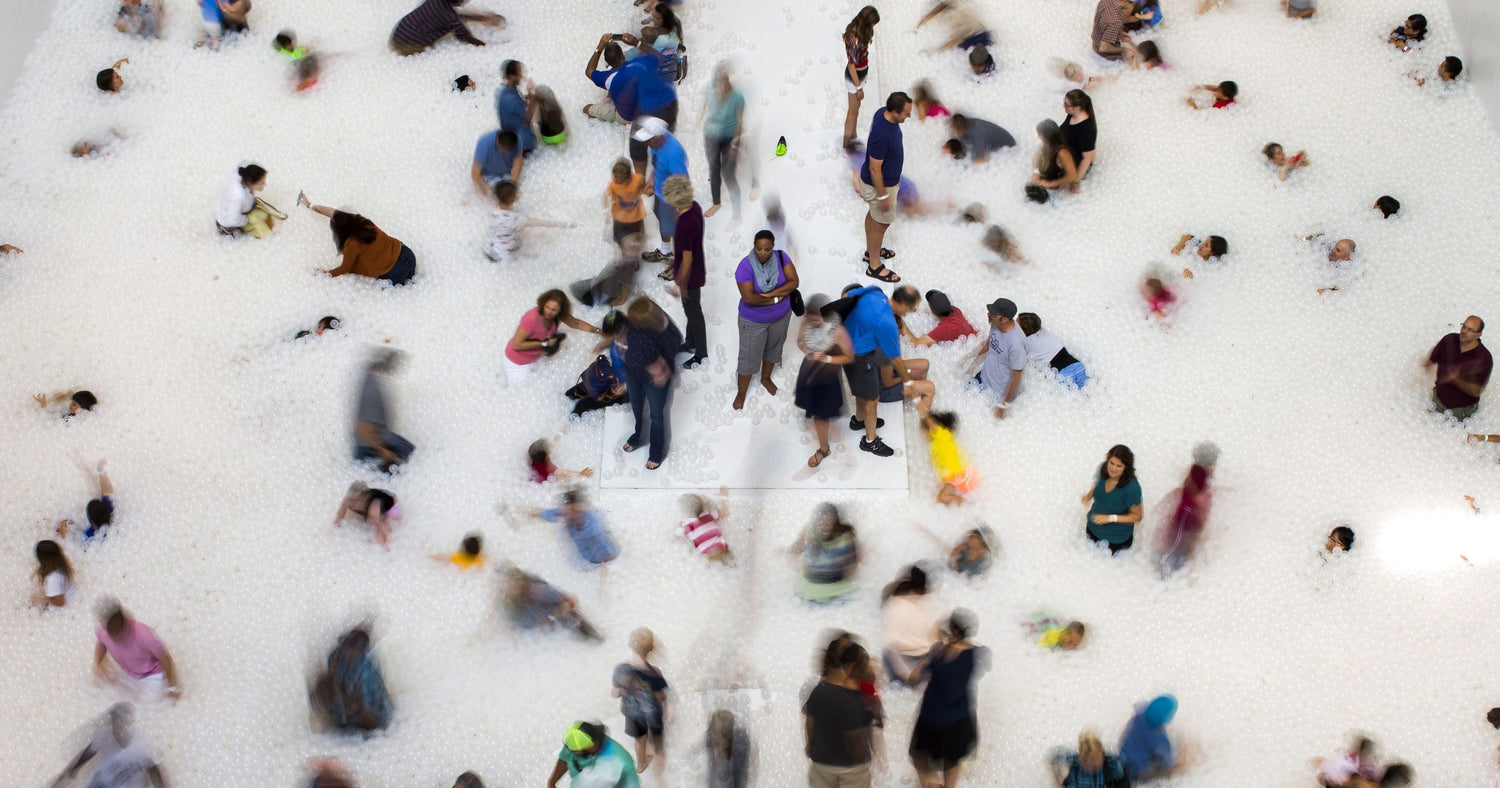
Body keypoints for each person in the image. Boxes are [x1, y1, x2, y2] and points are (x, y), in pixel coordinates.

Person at [909, 609, 988, 788]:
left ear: (953, 630)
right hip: (960, 720)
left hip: (932, 718)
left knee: (920, 757)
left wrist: (926, 660)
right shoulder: (979, 653)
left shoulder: (938, 652)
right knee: (951, 761)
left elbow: (914, 680)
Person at [732, 230, 800, 409]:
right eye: (759, 249)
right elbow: (750, 298)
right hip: (753, 321)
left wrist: (772, 296)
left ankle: (766, 378)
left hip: (781, 316)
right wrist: (779, 296)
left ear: (773, 248)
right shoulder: (745, 267)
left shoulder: (781, 257)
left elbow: (794, 282)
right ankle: (741, 392)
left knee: (773, 349)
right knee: (748, 358)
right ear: (754, 246)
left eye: (767, 249)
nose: (762, 253)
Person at [840, 285, 908, 454]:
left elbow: (847, 296)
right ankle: (870, 441)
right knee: (872, 400)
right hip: (860, 358)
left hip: (850, 353)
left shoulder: (855, 311)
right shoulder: (880, 322)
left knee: (861, 392)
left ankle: (859, 420)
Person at [803, 636, 875, 787]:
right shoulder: (852, 699)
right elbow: (854, 736)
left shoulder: (818, 691)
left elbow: (810, 722)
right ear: (851, 666)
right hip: (851, 768)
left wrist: (810, 744)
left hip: (821, 762)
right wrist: (862, 758)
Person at [297, 196, 418, 285]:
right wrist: (310, 205)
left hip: (396, 273)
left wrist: (324, 274)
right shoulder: (363, 222)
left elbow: (345, 269)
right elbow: (333, 212)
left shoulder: (351, 244)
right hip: (407, 254)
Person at [622, 297, 682, 469]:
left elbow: (674, 346)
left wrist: (661, 365)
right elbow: (624, 332)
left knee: (657, 415)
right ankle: (638, 436)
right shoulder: (633, 321)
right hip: (633, 371)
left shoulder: (666, 331)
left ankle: (657, 451)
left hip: (654, 378)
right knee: (637, 405)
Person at [795, 294, 855, 468]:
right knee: (813, 410)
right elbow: (800, 341)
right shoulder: (806, 321)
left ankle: (824, 449)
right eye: (810, 319)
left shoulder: (837, 330)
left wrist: (826, 358)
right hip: (809, 371)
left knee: (820, 416)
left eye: (816, 320)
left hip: (827, 375)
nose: (812, 322)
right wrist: (807, 351)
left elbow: (848, 357)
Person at [859, 93, 913, 283]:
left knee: (874, 218)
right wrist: (882, 196)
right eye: (906, 113)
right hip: (880, 187)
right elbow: (875, 167)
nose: (909, 116)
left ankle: (870, 252)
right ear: (894, 111)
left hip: (883, 183)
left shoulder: (882, 113)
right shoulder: (882, 135)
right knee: (881, 224)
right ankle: (874, 265)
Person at [51, 704, 167, 788]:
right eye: (113, 722)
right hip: (102, 781)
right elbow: (88, 752)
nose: (115, 726)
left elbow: (153, 769)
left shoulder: (138, 746)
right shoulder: (105, 736)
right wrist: (70, 771)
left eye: (119, 722)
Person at [583, 35, 678, 132]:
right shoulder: (640, 64)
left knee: (586, 109)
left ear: (608, 63)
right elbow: (657, 55)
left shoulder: (607, 79)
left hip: (628, 117)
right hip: (650, 109)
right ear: (623, 56)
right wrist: (637, 43)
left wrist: (600, 46)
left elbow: (589, 71)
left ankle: (609, 108)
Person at [504, 290, 600, 381]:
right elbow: (517, 345)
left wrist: (598, 331)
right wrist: (543, 344)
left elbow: (576, 323)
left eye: (554, 309)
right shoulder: (531, 319)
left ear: (560, 310)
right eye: (547, 307)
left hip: (535, 359)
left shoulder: (558, 316)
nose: (549, 312)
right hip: (516, 362)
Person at [94, 602, 182, 701]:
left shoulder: (144, 635)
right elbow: (101, 643)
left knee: (147, 706)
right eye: (111, 628)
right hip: (128, 673)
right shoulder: (103, 630)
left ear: (123, 620)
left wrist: (173, 687)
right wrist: (98, 663)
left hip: (151, 675)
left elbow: (166, 659)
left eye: (117, 625)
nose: (115, 633)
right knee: (110, 694)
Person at [311, 627, 392, 732]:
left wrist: (353, 708)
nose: (348, 652)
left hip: (370, 718)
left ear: (361, 652)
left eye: (354, 650)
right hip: (346, 707)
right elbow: (331, 673)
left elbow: (372, 716)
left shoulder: (367, 674)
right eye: (346, 646)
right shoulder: (336, 657)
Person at [664, 176, 707, 368]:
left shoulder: (684, 226)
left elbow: (687, 259)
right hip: (697, 267)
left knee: (694, 313)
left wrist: (681, 283)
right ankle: (690, 342)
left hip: (690, 275)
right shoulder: (695, 207)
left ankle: (700, 352)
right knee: (691, 310)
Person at [613, 628, 670, 775]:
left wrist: (623, 691)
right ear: (652, 649)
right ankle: (660, 763)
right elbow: (660, 697)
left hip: (632, 712)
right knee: (657, 738)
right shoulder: (654, 674)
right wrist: (667, 710)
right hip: (652, 714)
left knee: (639, 738)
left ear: (631, 645)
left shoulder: (621, 669)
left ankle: (641, 763)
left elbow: (615, 692)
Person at [1158, 442, 1218, 577]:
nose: (1217, 464)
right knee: (1176, 550)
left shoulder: (1198, 475)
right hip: (1183, 526)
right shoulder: (1190, 506)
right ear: (1211, 462)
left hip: (1187, 522)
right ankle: (1167, 571)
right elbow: (1195, 494)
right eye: (1215, 461)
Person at [634, 118, 689, 265]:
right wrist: (652, 180)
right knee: (664, 223)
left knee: (675, 229)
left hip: (671, 198)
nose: (645, 142)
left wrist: (681, 208)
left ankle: (677, 261)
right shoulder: (657, 144)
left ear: (657, 136)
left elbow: (683, 181)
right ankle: (666, 252)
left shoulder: (673, 154)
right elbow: (657, 163)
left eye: (648, 139)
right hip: (660, 192)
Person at [500, 563, 602, 640]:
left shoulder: (538, 590)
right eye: (504, 584)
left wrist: (557, 614)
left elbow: (570, 600)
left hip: (559, 625)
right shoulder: (509, 601)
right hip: (535, 628)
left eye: (510, 584)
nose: (505, 587)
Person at [353, 350, 415, 472]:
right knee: (410, 453)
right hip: (369, 448)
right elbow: (361, 428)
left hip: (376, 441)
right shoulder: (371, 390)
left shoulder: (370, 382)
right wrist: (383, 450)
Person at [483, 181, 575, 261]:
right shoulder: (514, 219)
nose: (519, 195)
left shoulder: (494, 206)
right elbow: (539, 223)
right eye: (517, 194)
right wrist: (566, 224)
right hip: (508, 252)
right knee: (538, 246)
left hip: (493, 247)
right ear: (512, 199)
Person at [881, 566, 941, 684]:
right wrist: (907, 674)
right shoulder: (898, 607)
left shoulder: (923, 603)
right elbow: (890, 646)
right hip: (906, 660)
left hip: (925, 657)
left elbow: (933, 630)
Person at [1426, 315, 1492, 421]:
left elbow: (1476, 391)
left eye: (1470, 329)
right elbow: (1431, 360)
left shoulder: (1484, 358)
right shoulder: (1449, 340)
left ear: (1478, 335)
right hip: (1438, 399)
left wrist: (1457, 379)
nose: (1464, 331)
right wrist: (1424, 365)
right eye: (1463, 326)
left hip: (1460, 411)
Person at [531, 489, 621, 566]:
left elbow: (608, 553)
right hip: (584, 558)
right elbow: (547, 513)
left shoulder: (594, 527)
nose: (570, 515)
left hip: (600, 560)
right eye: (567, 512)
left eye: (575, 511)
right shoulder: (566, 513)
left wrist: (605, 565)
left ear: (583, 509)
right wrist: (530, 512)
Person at [704, 66, 748, 219]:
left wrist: (735, 144)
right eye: (719, 84)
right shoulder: (709, 92)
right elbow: (704, 107)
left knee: (729, 174)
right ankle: (716, 202)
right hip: (711, 136)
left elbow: (741, 121)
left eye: (725, 83)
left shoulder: (737, 97)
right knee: (714, 168)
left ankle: (737, 213)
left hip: (729, 137)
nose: (722, 88)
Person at [970, 298, 1026, 419]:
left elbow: (1017, 375)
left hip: (997, 393)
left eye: (992, 313)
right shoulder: (996, 325)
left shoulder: (1016, 343)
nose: (988, 314)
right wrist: (971, 363)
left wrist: (1004, 405)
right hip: (983, 377)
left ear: (1004, 319)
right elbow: (989, 343)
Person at [793, 504, 860, 603]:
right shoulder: (809, 531)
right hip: (809, 587)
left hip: (837, 588)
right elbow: (795, 549)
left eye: (829, 523)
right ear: (816, 522)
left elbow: (852, 567)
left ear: (836, 524)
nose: (825, 526)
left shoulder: (845, 536)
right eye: (821, 523)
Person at [566, 313, 630, 416]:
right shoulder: (620, 337)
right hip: (610, 377)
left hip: (624, 388)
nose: (614, 338)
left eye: (614, 335)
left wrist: (626, 386)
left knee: (581, 406)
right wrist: (605, 344)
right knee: (570, 394)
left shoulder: (635, 347)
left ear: (623, 328)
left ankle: (566, 428)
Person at [1082, 445, 1143, 554]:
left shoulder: (1132, 488)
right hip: (1093, 528)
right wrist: (1089, 495)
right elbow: (1097, 484)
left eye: (1119, 466)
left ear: (1126, 467)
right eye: (1111, 463)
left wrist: (1110, 518)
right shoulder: (1103, 469)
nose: (1113, 468)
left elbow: (1137, 516)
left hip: (1116, 540)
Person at [547, 721, 640, 788]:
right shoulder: (576, 744)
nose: (573, 753)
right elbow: (565, 757)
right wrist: (552, 783)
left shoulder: (621, 762)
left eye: (577, 751)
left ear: (593, 746)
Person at [389, 0, 502, 55]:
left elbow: (453, 15)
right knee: (448, 28)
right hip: (408, 46)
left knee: (438, 21)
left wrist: (481, 18)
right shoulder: (451, 17)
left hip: (398, 32)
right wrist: (492, 47)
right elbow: (466, 38)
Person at [1119, 695, 1184, 781]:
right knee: (1171, 770)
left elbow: (1139, 705)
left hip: (1123, 755)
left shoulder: (1139, 715)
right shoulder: (1159, 739)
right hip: (1138, 770)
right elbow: (1166, 761)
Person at [1015, 312, 1089, 388]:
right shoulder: (1041, 329)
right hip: (1078, 366)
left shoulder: (1025, 343)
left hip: (1063, 375)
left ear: (1023, 331)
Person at [842, 6, 880, 148]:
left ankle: (854, 136)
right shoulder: (853, 37)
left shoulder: (860, 30)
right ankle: (845, 145)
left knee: (856, 109)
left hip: (861, 74)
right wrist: (859, 88)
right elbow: (852, 65)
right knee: (852, 112)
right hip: (854, 78)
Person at [921, 411, 977, 505]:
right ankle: (966, 504)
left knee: (941, 498)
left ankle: (968, 505)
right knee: (940, 495)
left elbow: (927, 416)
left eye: (923, 430)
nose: (923, 434)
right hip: (958, 476)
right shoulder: (937, 441)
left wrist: (916, 400)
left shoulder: (941, 434)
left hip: (959, 475)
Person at [893, 288, 977, 347]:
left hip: (968, 347)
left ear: (933, 311)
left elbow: (916, 344)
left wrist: (902, 323)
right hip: (975, 338)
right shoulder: (955, 310)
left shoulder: (946, 328)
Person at [216, 164, 279, 238]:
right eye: (261, 183)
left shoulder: (243, 175)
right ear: (250, 182)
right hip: (229, 224)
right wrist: (245, 220)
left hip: (242, 209)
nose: (265, 184)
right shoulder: (238, 197)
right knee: (259, 226)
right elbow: (233, 219)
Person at [334, 482, 400, 549]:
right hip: (372, 512)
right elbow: (339, 515)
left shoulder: (374, 505)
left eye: (358, 500)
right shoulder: (348, 500)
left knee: (379, 524)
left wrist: (386, 546)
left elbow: (381, 526)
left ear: (366, 497)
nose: (354, 504)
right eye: (352, 500)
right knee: (370, 518)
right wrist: (336, 527)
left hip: (391, 508)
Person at [914, 1, 993, 56]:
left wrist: (935, 52)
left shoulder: (954, 16)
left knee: (958, 50)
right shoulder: (953, 10)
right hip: (982, 34)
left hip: (979, 38)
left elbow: (956, 39)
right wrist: (918, 26)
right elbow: (933, 12)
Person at [1050, 732, 1128, 787]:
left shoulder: (1110, 763)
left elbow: (1122, 773)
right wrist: (1057, 780)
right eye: (1089, 764)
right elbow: (1055, 757)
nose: (1095, 766)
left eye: (1099, 762)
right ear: (1081, 759)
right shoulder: (1075, 761)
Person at [606, 159, 650, 253]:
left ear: (628, 177)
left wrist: (647, 191)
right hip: (619, 218)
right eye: (615, 177)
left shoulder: (638, 179)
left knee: (636, 240)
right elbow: (605, 196)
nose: (616, 180)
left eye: (620, 179)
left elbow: (644, 187)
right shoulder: (613, 185)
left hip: (636, 218)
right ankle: (624, 256)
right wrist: (606, 211)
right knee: (620, 239)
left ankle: (634, 257)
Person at [495, 60, 536, 155]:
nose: (521, 77)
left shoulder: (503, 91)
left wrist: (527, 98)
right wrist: (532, 96)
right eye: (519, 74)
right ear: (511, 76)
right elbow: (528, 118)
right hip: (523, 145)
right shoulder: (511, 98)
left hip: (511, 142)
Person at [1030, 120, 1079, 197]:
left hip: (1057, 188)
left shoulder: (1062, 153)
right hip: (1045, 180)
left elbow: (1073, 175)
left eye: (1039, 134)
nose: (1038, 137)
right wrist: (1036, 171)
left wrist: (1051, 183)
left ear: (1045, 136)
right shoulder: (1045, 144)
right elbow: (1037, 156)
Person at [706, 709, 753, 788]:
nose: (713, 735)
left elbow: (740, 778)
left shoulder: (737, 749)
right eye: (712, 731)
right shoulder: (712, 746)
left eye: (716, 733)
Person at [942, 114, 1015, 163]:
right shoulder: (968, 123)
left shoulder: (978, 135)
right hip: (999, 140)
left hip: (1009, 150)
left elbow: (981, 160)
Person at [679, 491, 731, 561]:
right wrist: (723, 497)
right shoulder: (708, 515)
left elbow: (677, 538)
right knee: (729, 561)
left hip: (706, 553)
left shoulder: (685, 524)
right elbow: (724, 513)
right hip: (721, 547)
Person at [1060, 90, 1097, 185]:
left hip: (1074, 164)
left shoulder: (1087, 130)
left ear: (1076, 108)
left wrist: (1075, 181)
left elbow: (1087, 159)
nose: (1063, 105)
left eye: (1066, 104)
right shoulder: (1072, 115)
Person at [31, 539, 75, 608]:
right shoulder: (60, 563)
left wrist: (44, 599)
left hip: (64, 604)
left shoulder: (52, 579)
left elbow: (60, 602)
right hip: (70, 591)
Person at [528, 439, 594, 483]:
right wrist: (580, 474)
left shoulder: (535, 460)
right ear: (545, 456)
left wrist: (561, 433)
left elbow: (551, 444)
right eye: (548, 450)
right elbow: (564, 473)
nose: (550, 449)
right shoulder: (548, 467)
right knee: (562, 479)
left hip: (533, 483)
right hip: (546, 485)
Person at [34, 389, 99, 417]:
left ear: (83, 410)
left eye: (74, 404)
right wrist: (63, 396)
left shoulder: (73, 421)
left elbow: (50, 419)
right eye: (72, 402)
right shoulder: (71, 414)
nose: (70, 404)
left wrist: (43, 405)